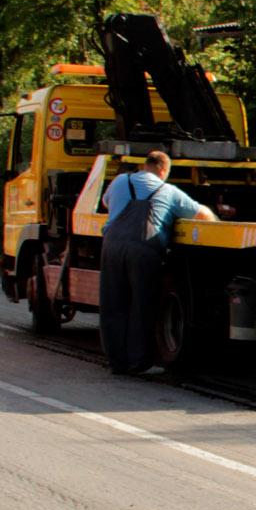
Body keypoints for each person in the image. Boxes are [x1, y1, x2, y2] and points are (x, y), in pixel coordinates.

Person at [99, 150, 216, 374]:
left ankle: (116, 361)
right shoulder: (168, 190)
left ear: (145, 166)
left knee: (113, 304)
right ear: (164, 170)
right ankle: (138, 362)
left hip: (112, 246)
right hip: (143, 249)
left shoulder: (121, 181)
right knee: (141, 305)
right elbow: (201, 215)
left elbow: (106, 203)